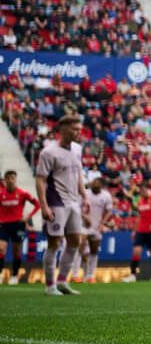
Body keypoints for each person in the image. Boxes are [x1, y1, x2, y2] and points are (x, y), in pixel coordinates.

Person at [34, 109, 89, 297]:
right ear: (63, 129)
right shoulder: (49, 152)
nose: (78, 132)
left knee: (75, 241)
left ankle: (62, 281)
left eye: (79, 129)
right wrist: (43, 205)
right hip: (56, 201)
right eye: (74, 129)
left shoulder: (77, 149)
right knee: (54, 243)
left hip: (74, 201)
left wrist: (85, 195)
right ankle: (50, 285)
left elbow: (78, 173)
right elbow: (40, 179)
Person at [0, 170, 38, 285]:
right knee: (1, 249)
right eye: (8, 178)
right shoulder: (1, 193)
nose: (11, 180)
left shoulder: (22, 193)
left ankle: (14, 275)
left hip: (18, 225)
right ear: (5, 180)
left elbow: (37, 204)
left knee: (16, 252)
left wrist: (28, 216)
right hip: (4, 225)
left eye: (13, 178)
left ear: (15, 179)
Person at [129, 174, 151, 282]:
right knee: (136, 251)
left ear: (147, 189)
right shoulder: (140, 201)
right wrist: (134, 230)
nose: (140, 192)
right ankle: (133, 275)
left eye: (142, 190)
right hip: (141, 230)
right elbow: (139, 216)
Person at [82, 173, 116, 283]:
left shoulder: (106, 196)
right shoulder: (86, 194)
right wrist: (84, 217)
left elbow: (109, 210)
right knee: (83, 251)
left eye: (97, 182)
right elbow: (78, 207)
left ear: (101, 185)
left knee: (94, 251)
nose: (94, 184)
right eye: (93, 182)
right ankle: (83, 274)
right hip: (84, 226)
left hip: (96, 227)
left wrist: (103, 223)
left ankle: (90, 276)